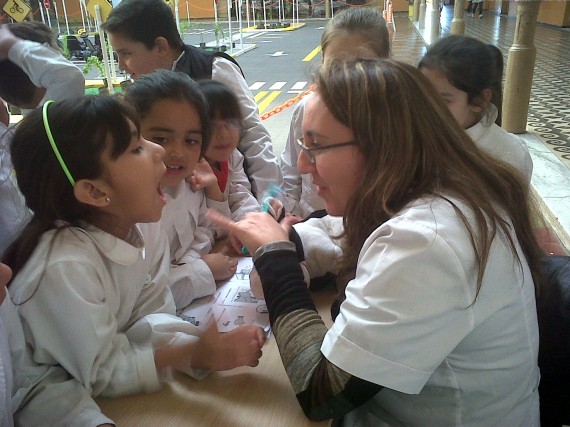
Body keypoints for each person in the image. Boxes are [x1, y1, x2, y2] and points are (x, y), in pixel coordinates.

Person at [208, 58, 544, 425]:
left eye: (316, 146)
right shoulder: (434, 192)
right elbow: (336, 231)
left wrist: (276, 257)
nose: (303, 164)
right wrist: (289, 240)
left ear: (383, 146)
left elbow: (321, 392)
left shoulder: (428, 241)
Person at [3, 96, 265, 404]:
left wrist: (200, 348)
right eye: (136, 147)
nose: (159, 151)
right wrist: (191, 354)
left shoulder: (136, 230)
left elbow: (149, 314)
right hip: (48, 401)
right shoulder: (65, 267)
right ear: (95, 191)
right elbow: (101, 371)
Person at [102, 0, 282, 201]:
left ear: (160, 46)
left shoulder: (214, 69)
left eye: (126, 53)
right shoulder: (140, 94)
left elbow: (253, 133)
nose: (121, 66)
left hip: (230, 191)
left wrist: (269, 198)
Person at [125, 70, 238, 311]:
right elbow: (140, 302)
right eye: (161, 139)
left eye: (191, 141)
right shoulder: (128, 211)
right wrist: (201, 271)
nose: (176, 152)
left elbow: (213, 230)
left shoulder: (190, 181)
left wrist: (214, 191)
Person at [280, 7, 390, 218]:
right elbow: (291, 168)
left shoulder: (391, 117)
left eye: (360, 65)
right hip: (311, 219)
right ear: (322, 62)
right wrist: (291, 211)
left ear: (386, 63)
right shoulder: (307, 109)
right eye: (335, 66)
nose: (346, 76)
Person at [0, 22, 85, 257]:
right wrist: (12, 45)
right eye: (54, 51)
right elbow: (69, 77)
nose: (62, 56)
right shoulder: (50, 124)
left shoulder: (23, 133)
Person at [418, 35, 533, 187]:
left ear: (479, 100)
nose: (428, 107)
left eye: (443, 101)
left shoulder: (511, 154)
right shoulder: (414, 140)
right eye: (422, 95)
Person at [195, 80, 260, 231]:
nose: (223, 134)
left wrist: (249, 222)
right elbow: (213, 228)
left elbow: (242, 196)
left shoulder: (232, 156)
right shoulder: (191, 171)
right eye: (211, 126)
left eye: (230, 123)